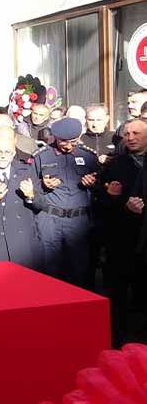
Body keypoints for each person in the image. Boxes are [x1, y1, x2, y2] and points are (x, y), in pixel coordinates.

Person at [97, 118, 147, 345]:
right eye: (127, 134)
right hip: (123, 240)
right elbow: (101, 204)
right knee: (119, 296)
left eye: (136, 133)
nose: (131, 138)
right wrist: (115, 199)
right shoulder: (116, 164)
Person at [33, 117, 99, 288]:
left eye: (73, 141)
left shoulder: (88, 156)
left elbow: (102, 186)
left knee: (80, 269)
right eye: (64, 141)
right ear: (55, 137)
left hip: (78, 221)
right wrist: (42, 185)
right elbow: (29, 186)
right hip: (50, 219)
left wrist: (93, 184)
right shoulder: (42, 156)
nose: (68, 145)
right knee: (49, 268)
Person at [0, 136, 45, 270]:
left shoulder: (26, 171)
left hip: (22, 244)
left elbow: (42, 204)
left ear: (13, 153)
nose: (3, 156)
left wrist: (31, 195)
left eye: (7, 152)